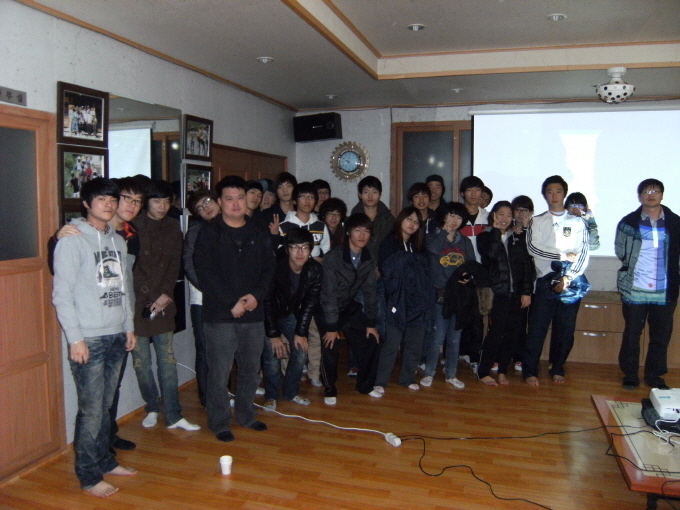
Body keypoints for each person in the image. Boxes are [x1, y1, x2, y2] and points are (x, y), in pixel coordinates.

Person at [52, 178, 137, 498]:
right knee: (91, 411)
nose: (109, 204)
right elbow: (61, 295)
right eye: (102, 199)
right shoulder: (72, 240)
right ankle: (88, 475)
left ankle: (105, 460)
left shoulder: (118, 240)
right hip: (89, 338)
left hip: (116, 334)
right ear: (87, 203)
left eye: (113, 199)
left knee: (105, 406)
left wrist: (128, 326)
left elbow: (123, 289)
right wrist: (75, 338)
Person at [193, 175, 275, 442]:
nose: (236, 203)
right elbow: (205, 273)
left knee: (251, 370)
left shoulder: (258, 230)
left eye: (240, 197)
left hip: (253, 313)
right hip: (220, 315)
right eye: (229, 199)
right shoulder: (209, 232)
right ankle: (219, 422)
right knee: (219, 373)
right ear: (220, 201)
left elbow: (270, 268)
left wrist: (257, 296)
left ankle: (247, 414)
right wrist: (232, 303)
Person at [131, 179, 200, 431]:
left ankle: (173, 414)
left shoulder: (172, 226)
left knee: (167, 360)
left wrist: (164, 295)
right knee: (141, 363)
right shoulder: (133, 225)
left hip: (164, 303)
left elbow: (174, 265)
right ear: (146, 202)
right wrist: (152, 296)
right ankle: (152, 406)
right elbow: (133, 268)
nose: (162, 206)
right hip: (137, 304)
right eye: (156, 201)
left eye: (166, 201)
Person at [524, 175, 590, 386]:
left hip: (570, 281)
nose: (554, 196)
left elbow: (583, 252)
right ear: (545, 194)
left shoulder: (577, 221)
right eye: (550, 192)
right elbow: (533, 249)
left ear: (564, 193)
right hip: (545, 280)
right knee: (537, 328)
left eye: (558, 191)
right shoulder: (538, 220)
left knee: (565, 329)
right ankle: (530, 370)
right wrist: (561, 255)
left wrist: (568, 276)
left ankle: (558, 366)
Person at [617, 179, 680, 390]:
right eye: (646, 191)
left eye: (655, 191)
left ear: (662, 194)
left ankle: (654, 376)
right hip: (635, 288)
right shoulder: (628, 222)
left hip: (665, 290)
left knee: (660, 336)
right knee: (632, 334)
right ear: (639, 196)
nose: (650, 195)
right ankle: (630, 375)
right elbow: (621, 251)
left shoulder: (675, 223)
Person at [319, 213, 381, 404]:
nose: (362, 235)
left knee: (372, 339)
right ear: (348, 232)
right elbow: (328, 295)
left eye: (366, 231)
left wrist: (371, 323)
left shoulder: (368, 258)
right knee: (330, 343)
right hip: (324, 307)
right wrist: (332, 327)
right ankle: (330, 388)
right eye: (357, 230)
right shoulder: (333, 257)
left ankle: (365, 385)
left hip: (347, 305)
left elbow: (370, 292)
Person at [262, 228, 322, 410]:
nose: (300, 252)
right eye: (295, 247)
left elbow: (310, 304)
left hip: (289, 313)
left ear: (310, 250)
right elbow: (267, 301)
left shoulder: (315, 270)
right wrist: (274, 335)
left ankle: (291, 392)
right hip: (266, 315)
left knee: (301, 349)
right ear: (287, 249)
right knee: (273, 355)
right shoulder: (274, 266)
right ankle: (271, 396)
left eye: (304, 247)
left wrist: (301, 332)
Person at [375, 207, 432, 394]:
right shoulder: (389, 242)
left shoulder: (420, 245)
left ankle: (407, 378)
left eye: (416, 222)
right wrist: (410, 261)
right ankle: (380, 381)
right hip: (396, 300)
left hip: (417, 300)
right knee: (392, 342)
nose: (412, 224)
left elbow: (425, 271)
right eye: (409, 219)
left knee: (415, 342)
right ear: (400, 220)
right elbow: (388, 270)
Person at [476, 201, 534, 385]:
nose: (505, 218)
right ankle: (483, 371)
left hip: (516, 294)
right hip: (497, 293)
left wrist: (526, 292)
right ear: (493, 215)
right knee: (495, 333)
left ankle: (502, 371)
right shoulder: (485, 236)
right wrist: (495, 230)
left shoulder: (516, 237)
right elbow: (492, 254)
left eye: (508, 215)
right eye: (501, 214)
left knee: (513, 334)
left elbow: (527, 266)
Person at [421, 202, 475, 389]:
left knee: (454, 337)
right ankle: (429, 372)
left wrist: (466, 277)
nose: (454, 220)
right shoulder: (433, 237)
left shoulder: (465, 241)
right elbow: (433, 250)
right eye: (451, 215)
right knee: (437, 336)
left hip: (458, 296)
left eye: (459, 217)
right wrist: (444, 232)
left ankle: (451, 373)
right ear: (444, 217)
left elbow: (471, 265)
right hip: (439, 294)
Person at [183, 189, 221, 407]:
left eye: (207, 201)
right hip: (202, 300)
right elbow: (189, 264)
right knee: (205, 349)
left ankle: (223, 393)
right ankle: (207, 398)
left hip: (228, 300)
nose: (206, 208)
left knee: (224, 350)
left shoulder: (231, 225)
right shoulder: (195, 232)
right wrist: (210, 289)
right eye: (200, 208)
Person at [458, 175, 489, 370]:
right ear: (462, 193)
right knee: (458, 314)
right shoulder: (456, 216)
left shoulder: (488, 217)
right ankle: (456, 353)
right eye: (469, 190)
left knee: (477, 317)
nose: (474, 194)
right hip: (459, 274)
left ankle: (475, 356)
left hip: (481, 274)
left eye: (477, 190)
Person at [509, 195, 535, 372]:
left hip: (529, 285)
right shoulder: (509, 230)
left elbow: (530, 257)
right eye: (517, 210)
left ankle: (519, 356)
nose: (521, 214)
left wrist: (526, 230)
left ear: (531, 213)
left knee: (522, 324)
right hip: (510, 284)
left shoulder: (536, 229)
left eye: (525, 210)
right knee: (507, 323)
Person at [278, 181, 330, 262]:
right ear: (295, 201)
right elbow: (280, 252)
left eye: (311, 197)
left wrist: (319, 260)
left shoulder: (321, 226)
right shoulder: (284, 227)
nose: (307, 200)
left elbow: (326, 248)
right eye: (302, 197)